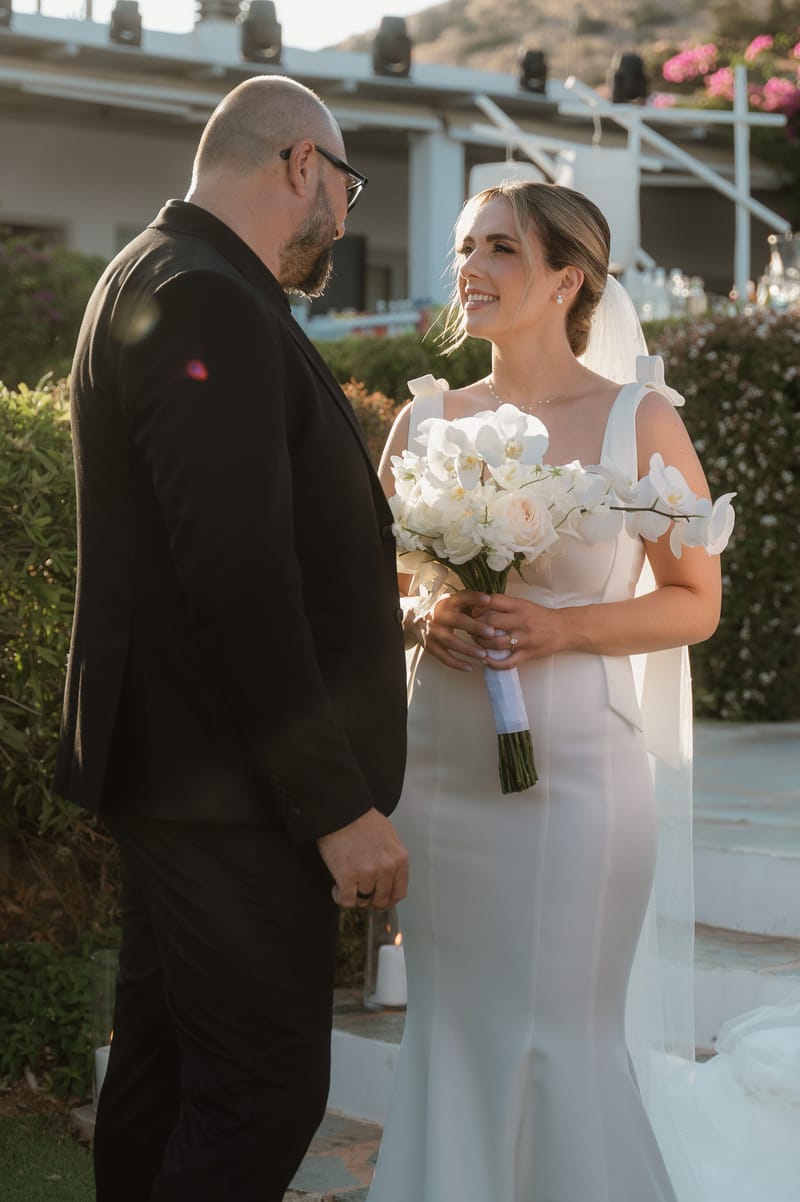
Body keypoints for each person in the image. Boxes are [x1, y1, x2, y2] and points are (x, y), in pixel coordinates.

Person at [54, 75, 409, 1202]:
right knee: (262, 1088)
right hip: (229, 789)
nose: (342, 223)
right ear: (301, 163)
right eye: (343, 187)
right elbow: (238, 577)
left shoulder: (164, 272)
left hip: (185, 776)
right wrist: (335, 804)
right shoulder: (205, 293)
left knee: (163, 1082)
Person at [369, 180, 724, 1202]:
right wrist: (417, 619)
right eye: (464, 248)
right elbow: (366, 598)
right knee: (451, 1025)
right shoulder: (422, 425)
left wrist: (563, 627)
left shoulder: (637, 420)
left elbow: (693, 599)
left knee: (556, 1031)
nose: (470, 269)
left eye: (501, 250)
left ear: (567, 278)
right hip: (438, 775)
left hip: (574, 778)